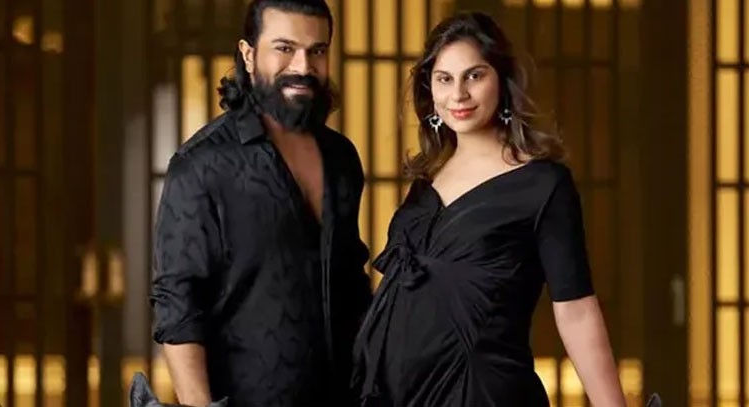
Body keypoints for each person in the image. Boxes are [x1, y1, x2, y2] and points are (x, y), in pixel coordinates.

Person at [352, 11, 627, 407]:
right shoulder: (428, 179)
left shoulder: (543, 184)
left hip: (480, 392)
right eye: (444, 79)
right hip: (398, 394)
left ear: (502, 79)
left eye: (474, 76)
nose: (458, 95)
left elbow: (576, 310)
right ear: (430, 88)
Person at [149, 1, 371, 406]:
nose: (303, 66)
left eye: (317, 50)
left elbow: (351, 283)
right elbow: (178, 306)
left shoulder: (342, 157)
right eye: (284, 48)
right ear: (248, 55)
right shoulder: (202, 164)